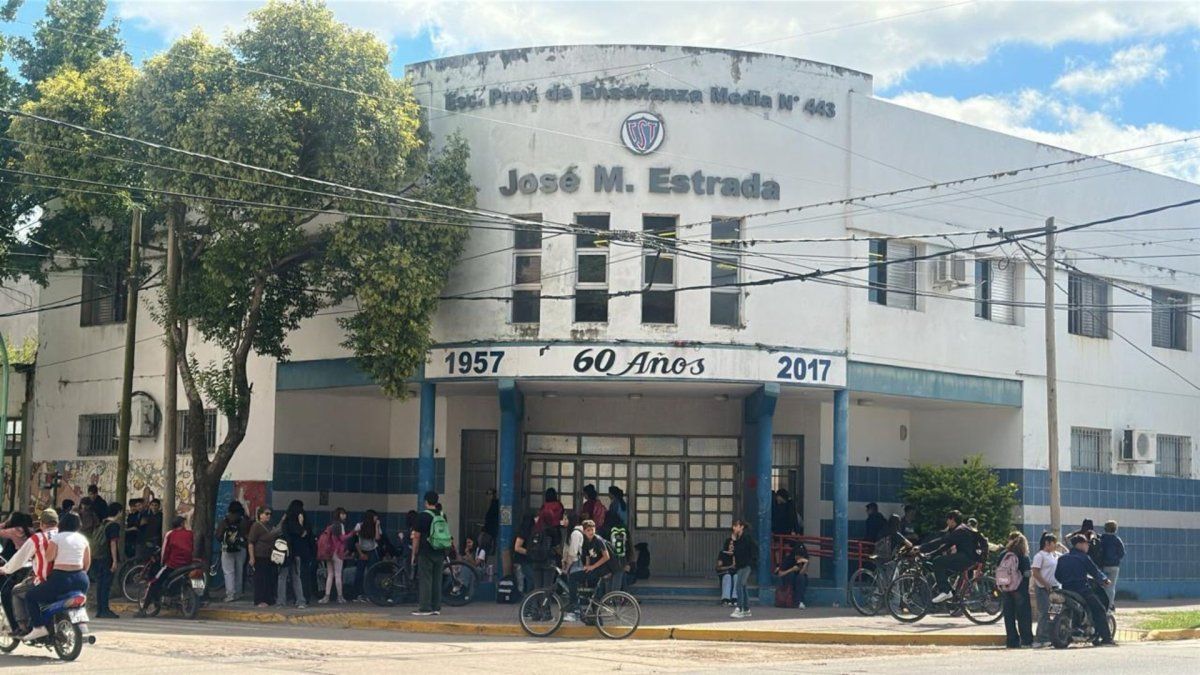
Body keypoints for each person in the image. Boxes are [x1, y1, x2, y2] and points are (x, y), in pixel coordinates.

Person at [22, 512, 90, 641]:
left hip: (61, 579)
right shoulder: (83, 539)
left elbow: (49, 557)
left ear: (61, 524)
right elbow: (87, 564)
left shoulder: (57, 538)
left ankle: (38, 627)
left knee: (30, 596)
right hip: (82, 579)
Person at [1054, 534, 1114, 646]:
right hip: (1082, 590)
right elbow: (1095, 572)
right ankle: (1107, 639)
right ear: (1080, 544)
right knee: (1100, 609)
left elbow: (1057, 575)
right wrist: (1105, 580)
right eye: (1086, 544)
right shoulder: (1083, 558)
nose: (1088, 546)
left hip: (1066, 589)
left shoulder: (1062, 558)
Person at [139, 515, 193, 616]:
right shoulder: (190, 534)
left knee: (153, 582)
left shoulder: (170, 534)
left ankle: (143, 609)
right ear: (182, 524)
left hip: (173, 564)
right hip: (187, 563)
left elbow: (164, 551)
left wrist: (162, 563)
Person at [922, 510, 978, 604]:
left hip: (967, 558)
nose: (947, 522)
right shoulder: (961, 528)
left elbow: (942, 540)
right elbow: (947, 545)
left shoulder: (960, 530)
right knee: (943, 571)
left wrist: (921, 547)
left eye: (947, 520)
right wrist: (931, 553)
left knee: (938, 562)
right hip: (966, 557)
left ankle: (946, 591)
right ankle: (953, 597)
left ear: (952, 519)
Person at [412, 491, 448, 616]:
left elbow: (416, 536)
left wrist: (414, 553)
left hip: (426, 551)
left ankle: (424, 607)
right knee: (437, 579)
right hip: (440, 550)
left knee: (426, 579)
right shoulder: (443, 515)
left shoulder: (422, 516)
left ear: (426, 502)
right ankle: (436, 607)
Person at [0, 512, 38, 634]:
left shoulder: (14, 531)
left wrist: (5, 523)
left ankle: (16, 626)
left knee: (7, 593)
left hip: (19, 566)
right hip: (32, 567)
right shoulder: (33, 531)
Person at [565, 519, 609, 621]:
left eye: (592, 530)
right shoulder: (586, 541)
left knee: (572, 577)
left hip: (600, 569)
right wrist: (587, 567)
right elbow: (588, 556)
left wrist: (592, 567)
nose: (591, 532)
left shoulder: (598, 540)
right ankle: (596, 619)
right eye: (588, 530)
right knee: (592, 596)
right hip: (593, 570)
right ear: (584, 531)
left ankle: (574, 607)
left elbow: (606, 556)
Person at [1000, 532, 1033, 648]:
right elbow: (1027, 573)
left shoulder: (1003, 554)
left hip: (1006, 589)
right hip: (1020, 590)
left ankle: (1012, 641)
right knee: (1023, 616)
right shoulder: (1023, 555)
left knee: (1009, 616)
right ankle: (1026, 640)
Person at [276, 500, 311, 609]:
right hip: (296, 553)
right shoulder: (299, 520)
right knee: (296, 577)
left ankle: (281, 602)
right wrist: (301, 523)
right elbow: (304, 533)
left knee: (282, 577)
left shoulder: (286, 520)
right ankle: (300, 601)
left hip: (285, 552)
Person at [1031, 532, 1063, 648]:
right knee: (1044, 612)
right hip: (1043, 588)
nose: (1055, 545)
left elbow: (1068, 555)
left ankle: (1051, 636)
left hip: (1056, 588)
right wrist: (1045, 584)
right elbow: (1035, 572)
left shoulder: (1055, 555)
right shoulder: (1040, 556)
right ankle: (1040, 638)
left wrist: (1062, 547)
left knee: (1054, 612)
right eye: (1054, 543)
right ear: (1047, 543)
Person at [92, 502, 123, 619]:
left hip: (97, 557)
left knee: (100, 584)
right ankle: (105, 609)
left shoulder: (103, 523)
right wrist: (114, 560)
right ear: (119, 512)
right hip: (107, 558)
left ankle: (100, 609)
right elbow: (113, 543)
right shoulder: (114, 525)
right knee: (106, 584)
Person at [217, 500, 250, 602]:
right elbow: (248, 534)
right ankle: (238, 593)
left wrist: (225, 541)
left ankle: (230, 594)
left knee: (228, 572)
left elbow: (218, 536)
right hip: (241, 548)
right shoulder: (244, 521)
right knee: (239, 571)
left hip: (227, 549)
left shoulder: (224, 521)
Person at [247, 506, 276, 608]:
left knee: (268, 578)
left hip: (269, 556)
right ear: (260, 515)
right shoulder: (256, 526)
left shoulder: (269, 526)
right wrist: (252, 557)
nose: (269, 516)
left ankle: (267, 598)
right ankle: (259, 599)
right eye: (266, 514)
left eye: (270, 514)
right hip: (259, 556)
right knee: (260, 578)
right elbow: (251, 542)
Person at [320, 508, 349, 604]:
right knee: (338, 575)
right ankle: (340, 597)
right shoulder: (340, 525)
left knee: (330, 574)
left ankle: (326, 596)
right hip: (337, 553)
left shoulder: (330, 525)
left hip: (329, 552)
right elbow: (343, 539)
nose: (345, 516)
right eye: (343, 514)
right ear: (339, 515)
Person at [729, 520, 756, 618]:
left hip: (746, 565)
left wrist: (752, 562)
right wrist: (734, 542)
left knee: (739, 585)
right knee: (743, 586)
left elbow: (753, 549)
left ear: (741, 527)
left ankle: (739, 608)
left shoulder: (747, 537)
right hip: (740, 565)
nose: (734, 528)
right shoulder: (738, 539)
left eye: (736, 526)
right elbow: (737, 553)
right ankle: (746, 609)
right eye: (734, 526)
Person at [354, 510, 382, 602]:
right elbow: (355, 541)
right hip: (362, 550)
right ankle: (359, 593)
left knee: (372, 572)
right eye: (375, 517)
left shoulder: (375, 526)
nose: (376, 518)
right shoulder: (359, 526)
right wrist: (361, 554)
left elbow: (377, 538)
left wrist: (377, 526)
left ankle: (371, 593)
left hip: (372, 551)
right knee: (360, 573)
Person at [774, 542, 809, 609]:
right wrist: (791, 569)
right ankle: (790, 599)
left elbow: (802, 573)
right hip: (788, 578)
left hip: (798, 581)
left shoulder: (804, 561)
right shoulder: (788, 559)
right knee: (791, 575)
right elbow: (780, 574)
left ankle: (799, 601)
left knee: (801, 578)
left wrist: (805, 565)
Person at [1098, 520, 1125, 607]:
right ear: (1115, 529)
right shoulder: (1117, 540)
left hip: (1102, 565)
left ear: (1105, 528)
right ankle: (1110, 605)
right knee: (1111, 586)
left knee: (1101, 585)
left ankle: (1101, 603)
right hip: (1114, 566)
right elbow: (1122, 553)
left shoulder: (1101, 538)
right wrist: (1116, 559)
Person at [512, 515, 536, 593]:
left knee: (530, 579)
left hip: (526, 560)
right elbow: (517, 547)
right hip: (522, 560)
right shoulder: (523, 532)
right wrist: (530, 552)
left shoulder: (529, 532)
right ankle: (529, 599)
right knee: (531, 579)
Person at [715, 535, 737, 606]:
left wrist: (734, 556)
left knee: (736, 577)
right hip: (726, 573)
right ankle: (725, 599)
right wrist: (730, 566)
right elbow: (718, 567)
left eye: (734, 544)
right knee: (728, 577)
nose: (732, 546)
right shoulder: (722, 553)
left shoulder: (738, 553)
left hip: (735, 573)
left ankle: (735, 598)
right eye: (730, 544)